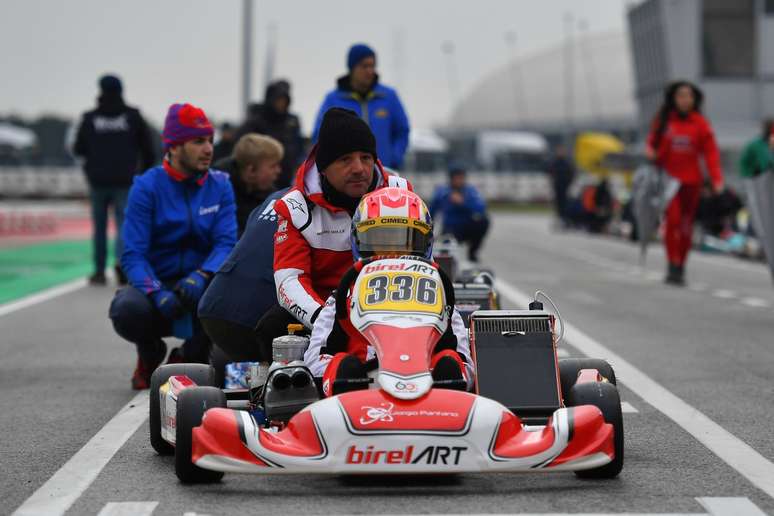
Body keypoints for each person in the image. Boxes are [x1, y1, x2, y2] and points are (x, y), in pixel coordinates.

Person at [253, 107, 410, 366]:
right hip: (325, 312)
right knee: (271, 328)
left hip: (393, 304)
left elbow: (423, 263)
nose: (359, 168)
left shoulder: (400, 193)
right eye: (346, 160)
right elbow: (288, 284)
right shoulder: (296, 208)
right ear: (324, 168)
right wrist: (331, 321)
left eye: (366, 157)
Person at [109, 103, 237, 390]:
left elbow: (226, 243)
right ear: (175, 147)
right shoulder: (146, 186)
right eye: (198, 141)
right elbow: (133, 255)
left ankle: (187, 354)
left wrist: (203, 275)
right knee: (126, 309)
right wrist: (155, 292)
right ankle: (149, 350)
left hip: (200, 284)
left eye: (210, 141)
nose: (208, 149)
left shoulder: (221, 185)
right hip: (159, 285)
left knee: (227, 300)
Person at [304, 187, 474, 397]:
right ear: (358, 241)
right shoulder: (345, 295)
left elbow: (464, 363)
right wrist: (352, 372)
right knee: (343, 365)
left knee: (449, 364)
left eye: (404, 241)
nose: (393, 253)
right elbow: (316, 360)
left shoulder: (438, 294)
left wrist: (443, 371)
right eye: (382, 241)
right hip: (360, 393)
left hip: (426, 391)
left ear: (426, 243)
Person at [73, 74, 156, 285]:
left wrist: (91, 167)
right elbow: (148, 149)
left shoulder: (90, 118)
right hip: (125, 181)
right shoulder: (132, 116)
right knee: (124, 226)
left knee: (99, 228)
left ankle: (99, 271)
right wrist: (141, 174)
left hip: (98, 180)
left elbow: (78, 148)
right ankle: (122, 265)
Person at [645, 80, 723, 286]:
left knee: (687, 225)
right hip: (669, 182)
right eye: (681, 96)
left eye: (688, 96)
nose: (685, 100)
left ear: (694, 99)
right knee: (672, 220)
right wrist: (651, 153)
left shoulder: (700, 123)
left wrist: (716, 179)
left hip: (692, 182)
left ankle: (681, 266)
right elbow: (651, 143)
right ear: (673, 98)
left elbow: (711, 153)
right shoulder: (663, 121)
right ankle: (672, 263)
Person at [312, 44, 410, 170]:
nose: (370, 71)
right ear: (352, 68)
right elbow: (319, 137)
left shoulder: (389, 97)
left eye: (372, 66)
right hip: (348, 175)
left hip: (385, 171)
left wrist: (395, 158)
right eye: (364, 66)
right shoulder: (333, 99)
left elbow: (402, 131)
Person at [236, 80, 304, 188]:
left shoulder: (292, 122)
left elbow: (298, 145)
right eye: (278, 100)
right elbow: (243, 146)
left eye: (284, 101)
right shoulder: (256, 121)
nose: (281, 104)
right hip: (259, 179)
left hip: (286, 176)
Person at [213, 134, 283, 235]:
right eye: (273, 166)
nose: (278, 170)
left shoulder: (272, 197)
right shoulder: (216, 189)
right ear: (251, 170)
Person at [429, 164, 490, 262]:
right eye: (457, 178)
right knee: (445, 254)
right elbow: (431, 211)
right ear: (451, 178)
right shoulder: (443, 191)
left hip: (466, 227)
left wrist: (463, 203)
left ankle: (473, 252)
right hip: (450, 229)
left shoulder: (470, 191)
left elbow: (481, 208)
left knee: (484, 221)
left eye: (461, 178)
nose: (459, 180)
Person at [547, 144, 576, 227]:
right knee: (558, 203)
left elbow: (572, 173)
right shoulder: (554, 162)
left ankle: (565, 218)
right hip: (557, 185)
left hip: (565, 185)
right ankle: (559, 218)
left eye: (562, 151)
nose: (560, 153)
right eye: (559, 151)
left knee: (565, 202)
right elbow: (550, 172)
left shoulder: (567, 162)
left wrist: (569, 182)